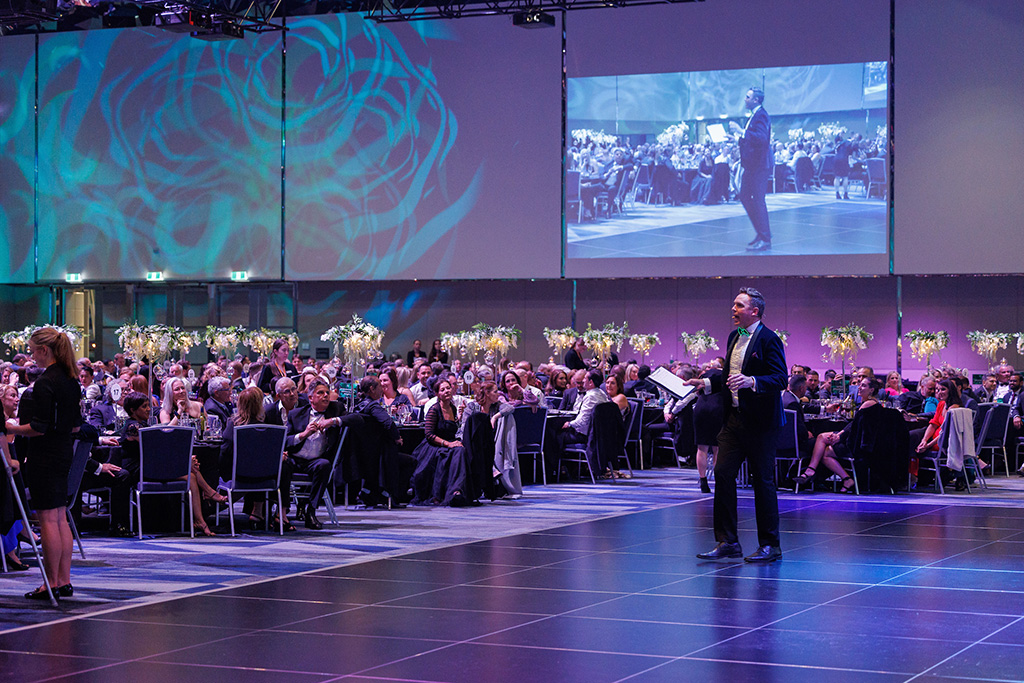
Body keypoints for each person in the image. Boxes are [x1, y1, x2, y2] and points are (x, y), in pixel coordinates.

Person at [691, 288, 787, 563]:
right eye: (733, 304)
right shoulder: (735, 336)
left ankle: (770, 545)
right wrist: (706, 383)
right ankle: (728, 541)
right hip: (734, 419)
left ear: (754, 311)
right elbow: (729, 375)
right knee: (722, 474)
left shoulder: (769, 339)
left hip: (761, 423)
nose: (733, 309)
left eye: (739, 305)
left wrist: (752, 381)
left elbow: (780, 378)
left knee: (762, 481)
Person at [7, 328, 82, 599]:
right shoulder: (71, 380)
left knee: (48, 519)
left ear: (44, 351)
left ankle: (50, 582)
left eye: (32, 350)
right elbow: (76, 427)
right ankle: (64, 579)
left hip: (44, 456)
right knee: (60, 517)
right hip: (63, 452)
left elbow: (38, 428)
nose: (31, 356)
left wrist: (12, 428)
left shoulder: (44, 382)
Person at [795, 376, 883, 493]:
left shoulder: (869, 404)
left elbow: (854, 426)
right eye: (860, 385)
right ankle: (843, 478)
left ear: (871, 390)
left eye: (863, 385)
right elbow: (853, 424)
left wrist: (840, 436)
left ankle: (814, 471)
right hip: (855, 437)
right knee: (822, 440)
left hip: (857, 443)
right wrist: (840, 434)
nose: (859, 387)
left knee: (824, 450)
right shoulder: (868, 402)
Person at [282, 380, 346, 529]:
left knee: (324, 465)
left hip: (316, 461)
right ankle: (282, 512)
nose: (325, 396)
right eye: (320, 393)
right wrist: (303, 434)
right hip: (295, 458)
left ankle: (311, 511)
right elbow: (285, 440)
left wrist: (332, 421)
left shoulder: (336, 408)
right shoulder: (296, 414)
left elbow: (357, 419)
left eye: (327, 393)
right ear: (310, 398)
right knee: (283, 465)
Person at [729, 87, 772, 251]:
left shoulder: (761, 115)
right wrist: (737, 138)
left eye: (747, 97)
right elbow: (752, 139)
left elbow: (761, 139)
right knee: (745, 197)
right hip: (751, 165)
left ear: (756, 100)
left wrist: (741, 131)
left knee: (758, 200)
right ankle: (761, 233)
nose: (745, 99)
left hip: (759, 165)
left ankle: (765, 238)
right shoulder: (755, 115)